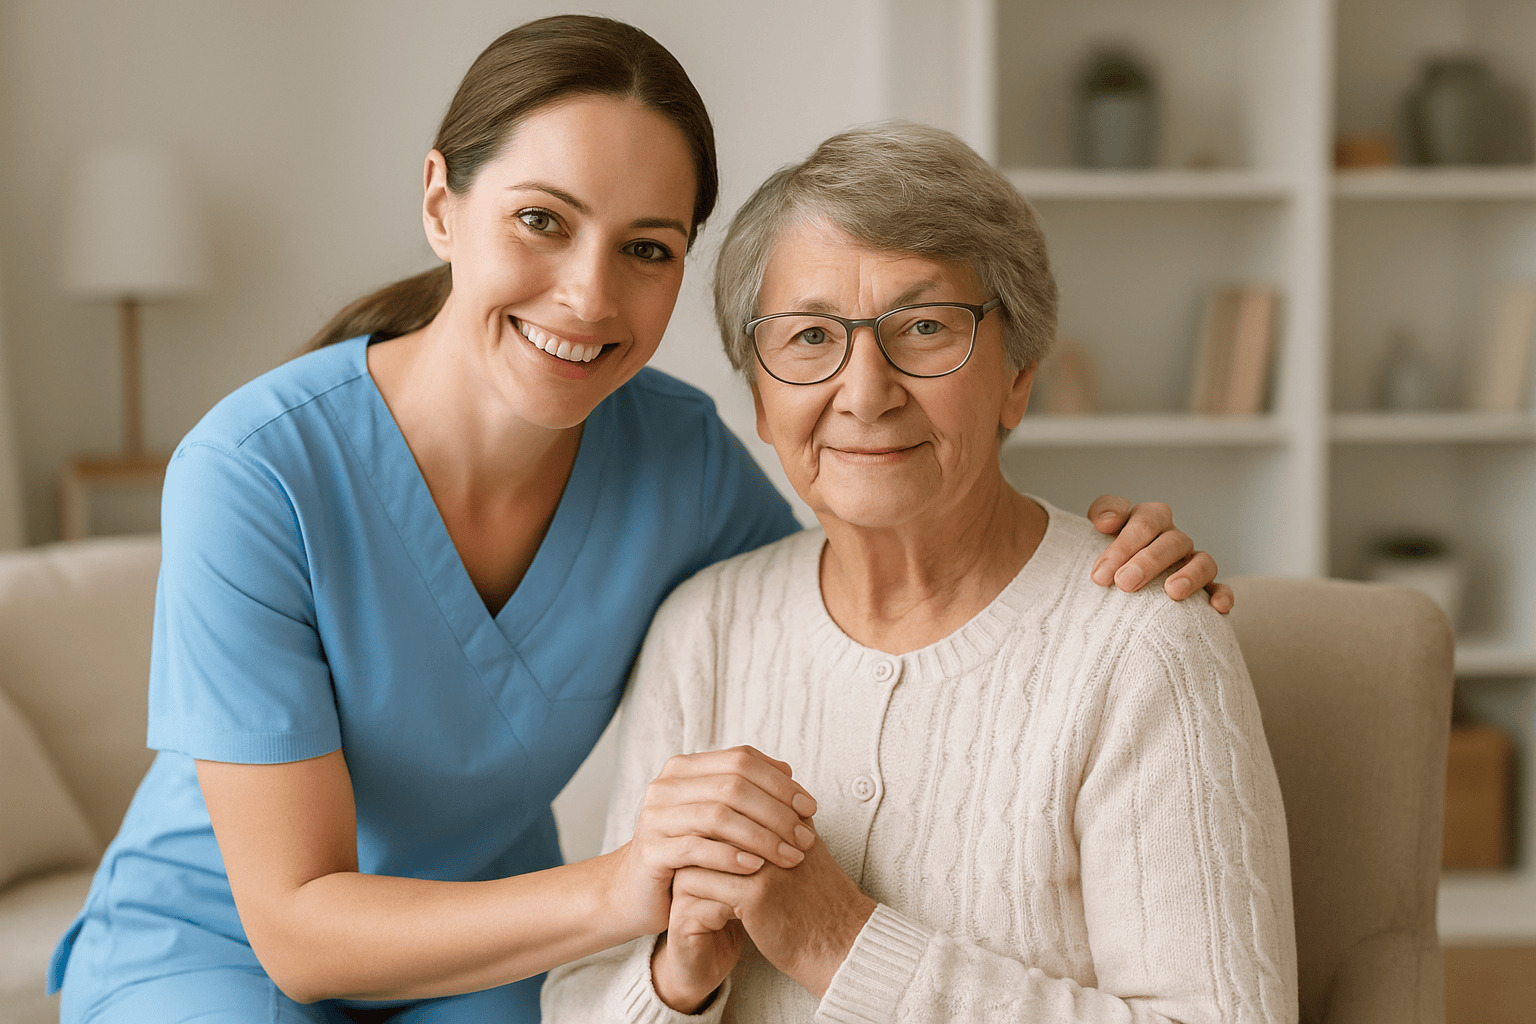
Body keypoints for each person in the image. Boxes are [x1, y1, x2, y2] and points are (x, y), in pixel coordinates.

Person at [49, 18, 1231, 1024]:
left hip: (489, 949)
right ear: (440, 204)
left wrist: (1100, 554)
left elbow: (873, 549)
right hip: (224, 941)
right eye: (541, 221)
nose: (589, 296)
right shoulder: (255, 471)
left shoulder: (680, 462)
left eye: (647, 249)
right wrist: (634, 889)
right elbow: (300, 926)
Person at [541, 122, 1297, 1024]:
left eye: (926, 327)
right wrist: (678, 974)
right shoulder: (702, 627)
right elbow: (584, 1003)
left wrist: (841, 942)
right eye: (811, 337)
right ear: (759, 398)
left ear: (1018, 375)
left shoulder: (1147, 644)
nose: (865, 391)